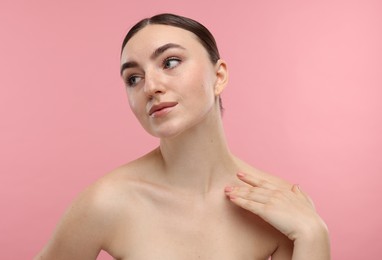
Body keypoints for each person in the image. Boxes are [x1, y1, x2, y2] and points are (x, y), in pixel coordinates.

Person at [35, 13, 330, 259]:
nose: (150, 86)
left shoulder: (279, 206)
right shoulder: (107, 201)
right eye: (133, 78)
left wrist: (314, 236)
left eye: (170, 62)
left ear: (219, 76)